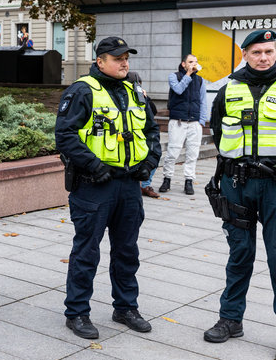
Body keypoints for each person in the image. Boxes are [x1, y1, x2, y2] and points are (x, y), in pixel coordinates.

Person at [204, 30, 276, 360]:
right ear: (245, 54)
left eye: (268, 51)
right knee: (239, 255)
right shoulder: (228, 90)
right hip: (237, 185)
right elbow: (219, 132)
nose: (263, 57)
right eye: (256, 52)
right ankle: (230, 320)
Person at [55, 36, 161, 339]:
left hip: (129, 186)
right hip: (94, 186)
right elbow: (65, 135)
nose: (124, 63)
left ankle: (126, 307)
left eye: (126, 57)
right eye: (117, 58)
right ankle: (77, 312)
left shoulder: (135, 90)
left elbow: (152, 130)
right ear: (100, 61)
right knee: (86, 251)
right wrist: (94, 165)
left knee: (127, 251)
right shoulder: (82, 90)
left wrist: (149, 162)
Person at [158, 54, 208, 195]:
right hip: (178, 121)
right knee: (173, 153)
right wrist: (188, 74)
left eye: (196, 62)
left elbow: (203, 101)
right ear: (184, 64)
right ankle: (167, 178)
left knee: (192, 154)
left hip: (195, 122)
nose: (194, 64)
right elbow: (178, 89)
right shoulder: (174, 76)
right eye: (191, 62)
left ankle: (189, 181)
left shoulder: (199, 80)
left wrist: (201, 122)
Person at [125, 71, 160, 199]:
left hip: (141, 139)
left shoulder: (141, 97)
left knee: (151, 160)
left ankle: (145, 185)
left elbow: (153, 112)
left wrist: (145, 98)